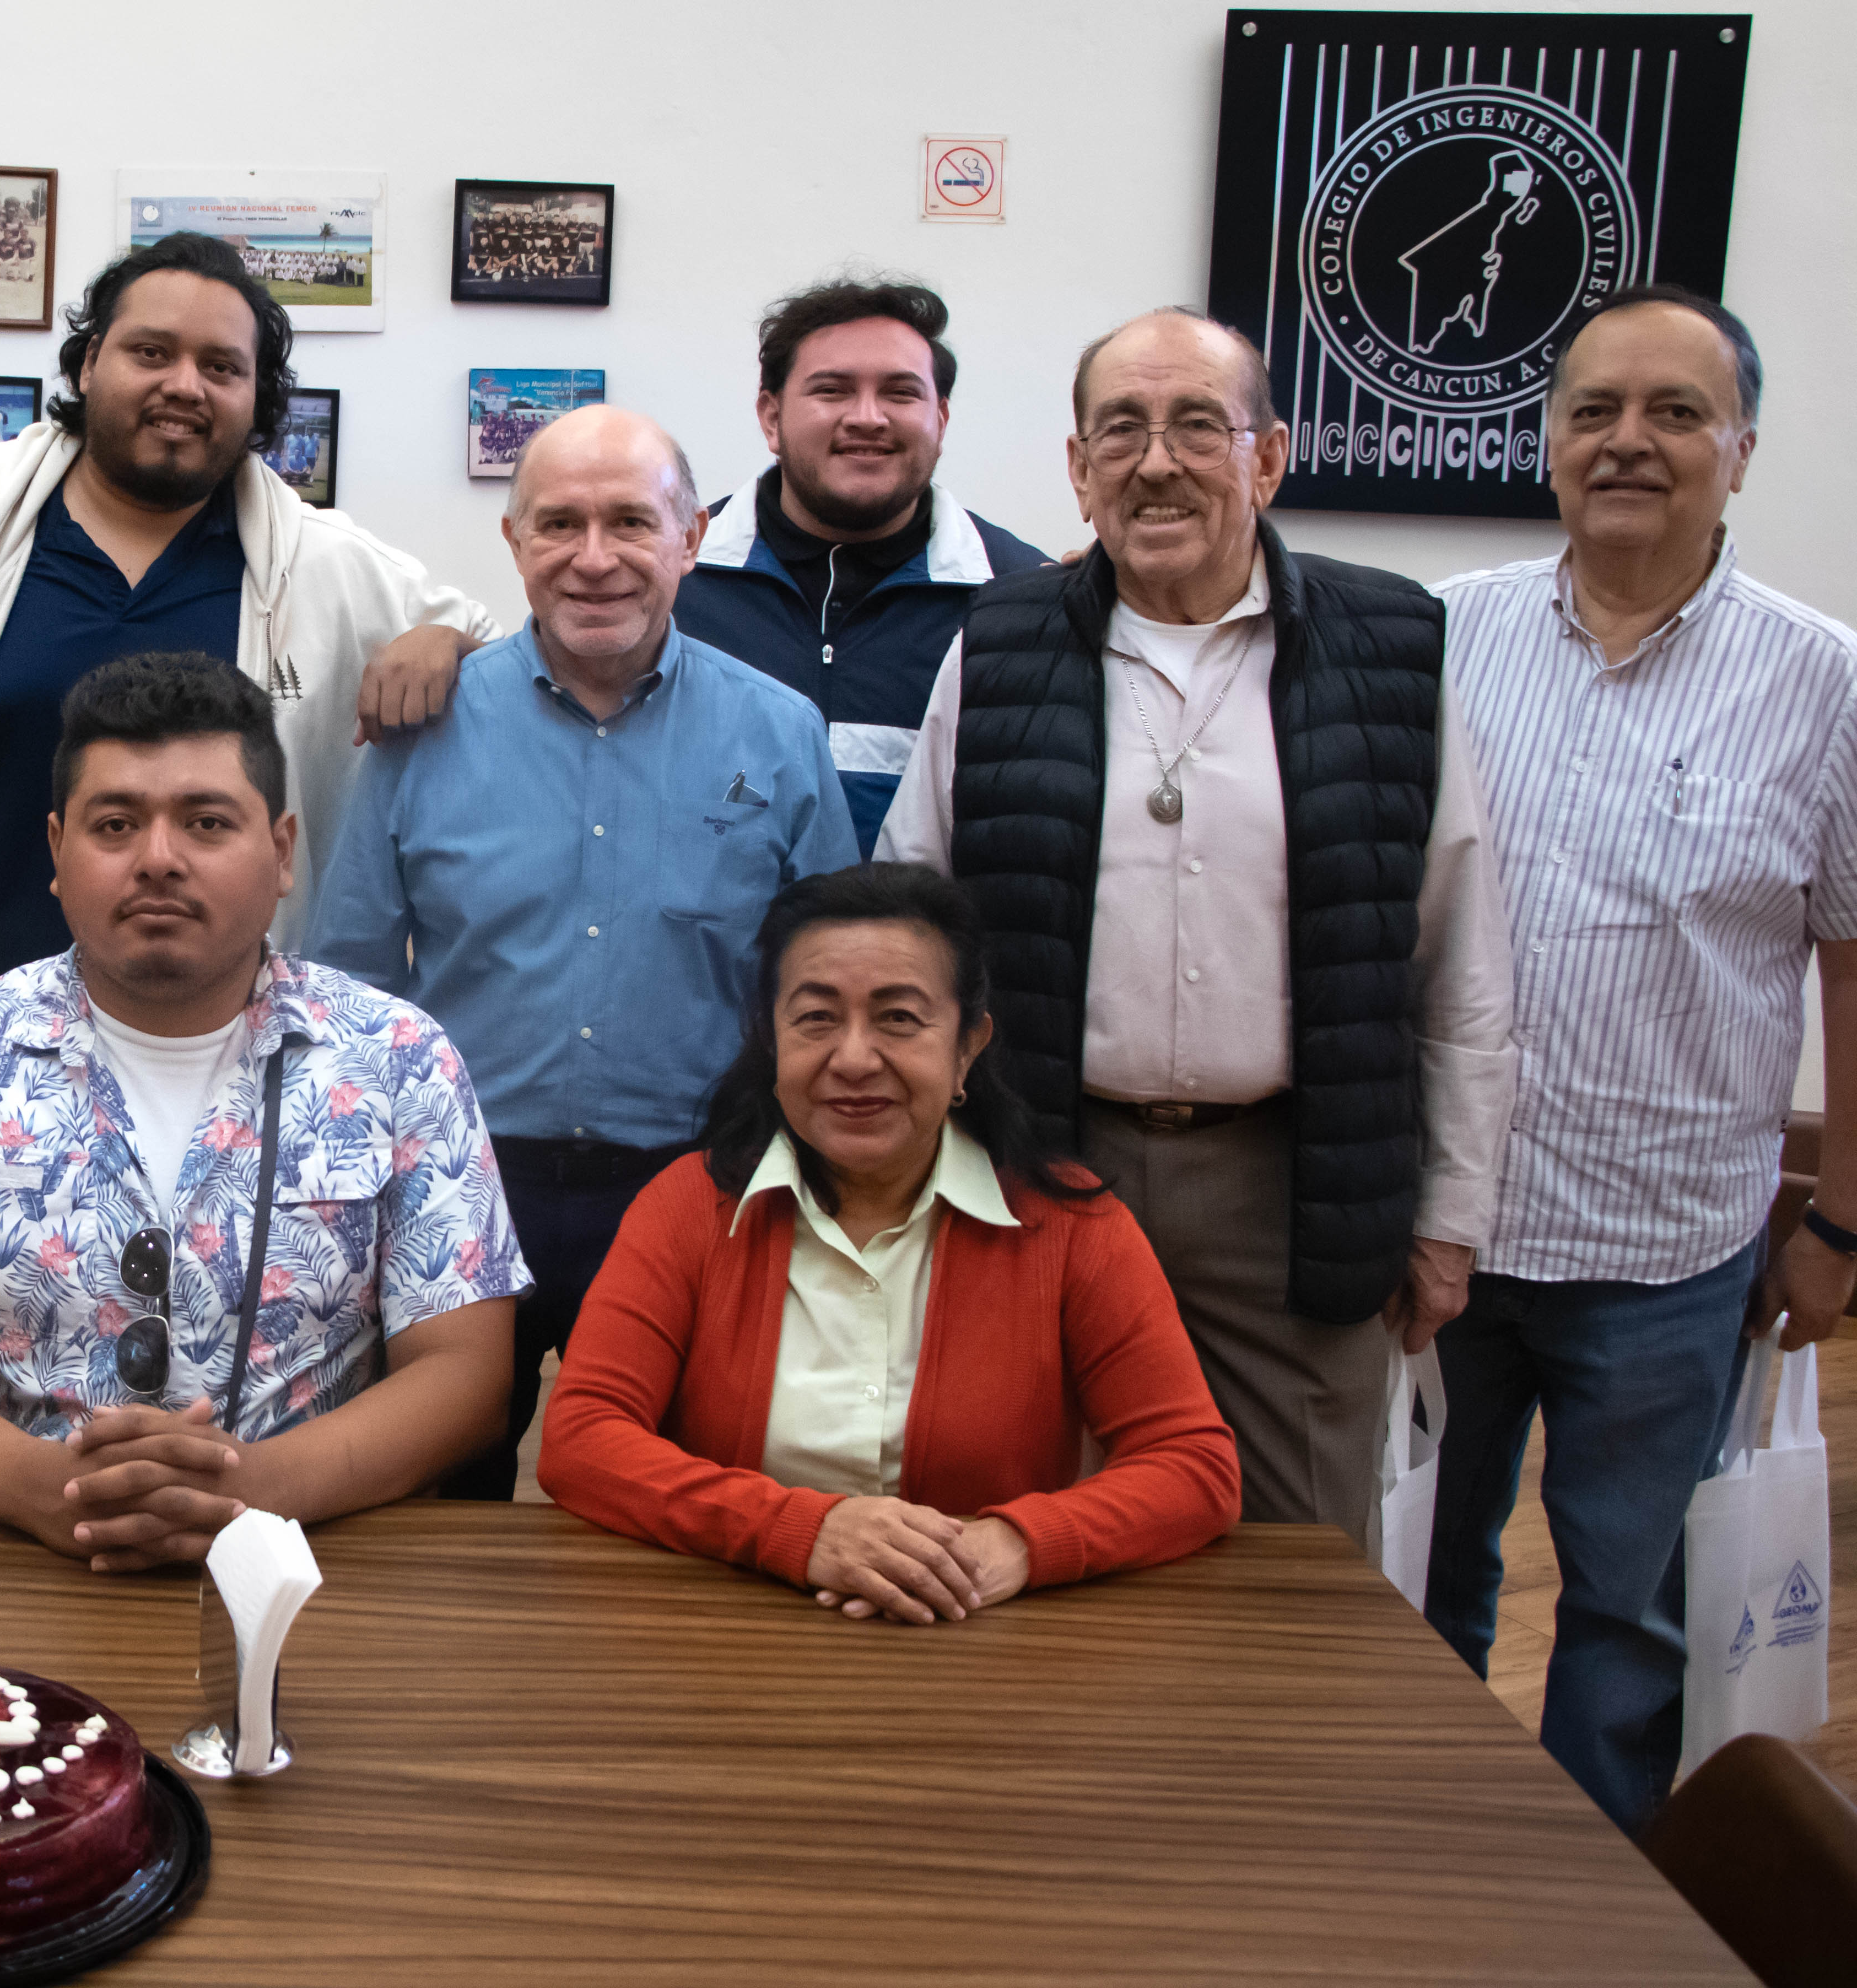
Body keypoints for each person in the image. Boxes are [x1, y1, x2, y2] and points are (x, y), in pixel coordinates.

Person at [878, 307, 1514, 1553]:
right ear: (1077, 467)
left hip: (1293, 1186)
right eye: (1120, 428)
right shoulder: (1000, 645)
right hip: (1048, 1168)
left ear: (1267, 458)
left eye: (1194, 427)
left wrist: (1447, 1217)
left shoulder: (1388, 646)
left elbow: (1457, 964)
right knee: (1028, 1523)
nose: (1154, 461)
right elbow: (914, 918)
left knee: (1299, 1556)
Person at [0, 233, 498, 1093]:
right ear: (89, 363)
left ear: (258, 400)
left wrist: (451, 643)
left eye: (222, 366)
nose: (184, 384)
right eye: (151, 352)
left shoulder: (329, 572)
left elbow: (502, 659)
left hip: (234, 1090)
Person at [1426, 286, 1857, 1834]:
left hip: (1670, 1254)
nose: (1629, 443)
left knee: (1626, 1621)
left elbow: (1849, 964)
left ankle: (1585, 1904)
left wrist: (1842, 1224)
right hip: (1445, 1230)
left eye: (1675, 413)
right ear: (1544, 444)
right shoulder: (1446, 638)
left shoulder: (1828, 683)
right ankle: (1417, 1862)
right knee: (1417, 1580)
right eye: (1593, 411)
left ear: (1741, 450)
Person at [0, 652, 528, 1570]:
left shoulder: (397, 1061)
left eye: (206, 821)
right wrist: (45, 1492)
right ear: (59, 853)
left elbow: (464, 1374)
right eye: (116, 824)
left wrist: (254, 1492)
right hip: (2, 1560)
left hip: (312, 1566)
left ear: (282, 851)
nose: (158, 859)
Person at [313, 406, 856, 1500]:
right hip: (462, 1193)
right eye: (559, 522)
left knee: (677, 1509)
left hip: (697, 1191)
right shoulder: (426, 726)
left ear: (691, 537)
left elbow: (834, 981)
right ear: (514, 543)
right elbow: (350, 988)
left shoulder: (781, 731)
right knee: (428, 1513)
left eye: (630, 522)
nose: (594, 557)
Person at [538, 863, 1239, 1611]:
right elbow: (583, 1439)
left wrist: (1015, 1545)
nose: (854, 1058)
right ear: (770, 1038)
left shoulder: (1073, 1227)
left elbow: (1193, 1465)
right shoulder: (688, 1207)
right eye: (816, 1018)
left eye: (899, 1018)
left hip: (976, 1636)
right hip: (725, 1634)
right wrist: (805, 1533)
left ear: (969, 1044)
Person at [674, 279, 1051, 854]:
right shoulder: (674, 580)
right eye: (832, 391)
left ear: (941, 420)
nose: (868, 418)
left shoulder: (1025, 600)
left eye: (901, 394)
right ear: (771, 417)